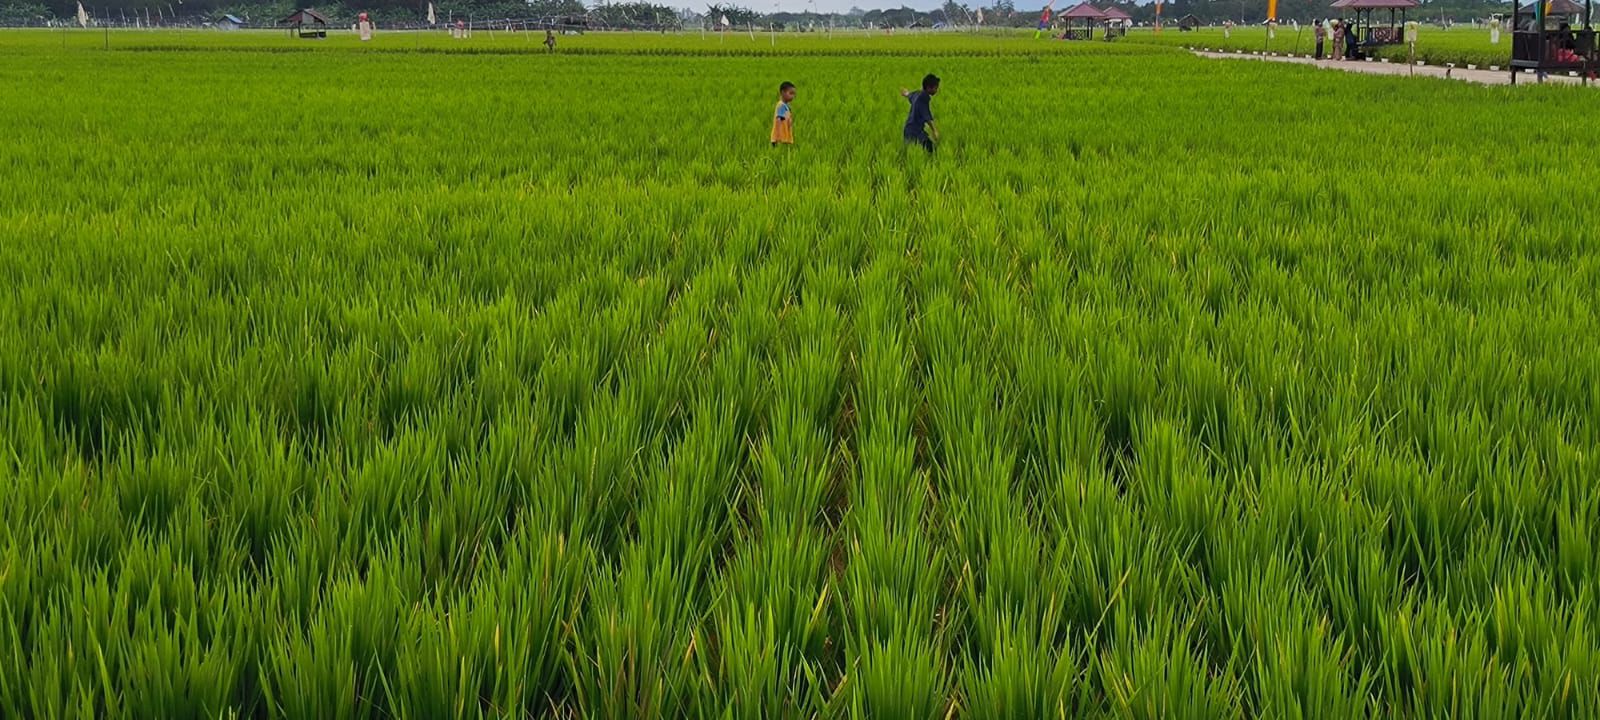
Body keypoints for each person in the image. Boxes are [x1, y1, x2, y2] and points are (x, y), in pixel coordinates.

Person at [900, 74, 940, 154]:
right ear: (928, 88)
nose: (936, 90)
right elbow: (927, 116)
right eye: (935, 88)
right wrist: (934, 131)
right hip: (915, 132)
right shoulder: (923, 98)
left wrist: (906, 93)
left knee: (913, 152)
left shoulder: (918, 94)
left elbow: (910, 96)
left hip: (908, 129)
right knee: (931, 150)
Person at [771, 81, 796, 146]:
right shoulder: (781, 106)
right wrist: (779, 137)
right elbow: (779, 120)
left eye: (794, 94)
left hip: (784, 137)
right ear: (782, 93)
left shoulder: (786, 106)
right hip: (780, 139)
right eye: (790, 93)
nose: (792, 96)